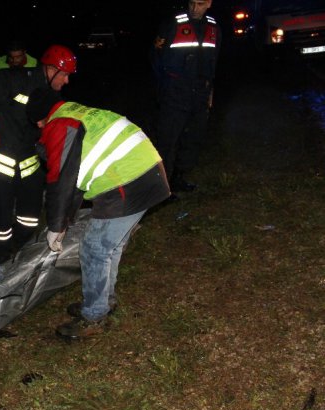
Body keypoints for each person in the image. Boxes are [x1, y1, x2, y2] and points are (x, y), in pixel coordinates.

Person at [25, 88, 170, 340]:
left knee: (95, 249)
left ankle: (94, 316)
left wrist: (56, 226)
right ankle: (104, 302)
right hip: (150, 173)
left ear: (40, 119)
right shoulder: (79, 112)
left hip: (127, 183)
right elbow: (77, 179)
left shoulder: (59, 126)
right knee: (109, 247)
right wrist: (64, 221)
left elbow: (61, 180)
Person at [0, 44, 77, 264]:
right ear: (50, 69)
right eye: (64, 75)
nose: (66, 81)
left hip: (30, 166)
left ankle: (22, 257)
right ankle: (1, 261)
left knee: (29, 219)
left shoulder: (53, 96)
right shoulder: (8, 79)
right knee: (0, 222)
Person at [151, 0, 221, 197]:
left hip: (199, 93)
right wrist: (164, 87)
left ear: (209, 3)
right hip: (175, 92)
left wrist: (210, 93)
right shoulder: (174, 23)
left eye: (199, 4)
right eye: (191, 3)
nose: (194, 8)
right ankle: (162, 187)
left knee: (192, 138)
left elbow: (214, 62)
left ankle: (178, 178)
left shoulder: (213, 27)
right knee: (168, 139)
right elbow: (156, 56)